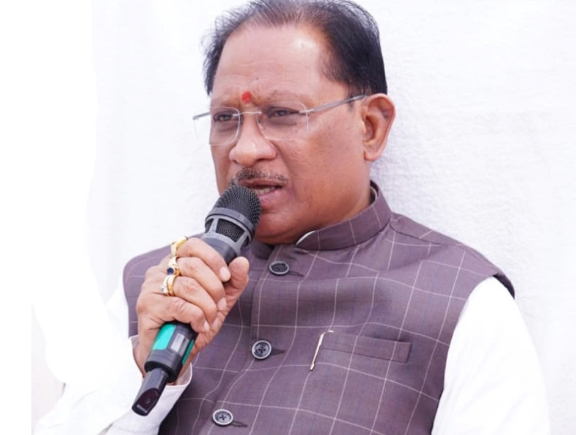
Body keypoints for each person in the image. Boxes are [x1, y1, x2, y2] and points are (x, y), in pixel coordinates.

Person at [35, 0, 550, 433]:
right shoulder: (157, 289)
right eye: (226, 118)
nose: (245, 149)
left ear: (370, 126)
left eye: (282, 114)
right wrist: (141, 365)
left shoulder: (461, 303)